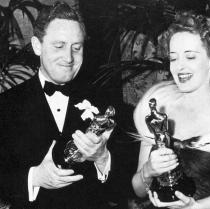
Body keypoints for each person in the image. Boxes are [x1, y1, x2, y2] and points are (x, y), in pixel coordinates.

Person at [0, 2, 121, 209]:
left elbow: (125, 187)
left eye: (77, 47)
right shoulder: (6, 105)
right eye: (59, 46)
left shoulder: (105, 103)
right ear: (37, 46)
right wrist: (34, 178)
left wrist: (102, 158)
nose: (69, 58)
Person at [132, 11, 210, 209]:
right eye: (174, 58)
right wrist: (148, 170)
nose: (179, 67)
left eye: (190, 57)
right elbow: (138, 189)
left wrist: (196, 207)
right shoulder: (157, 109)